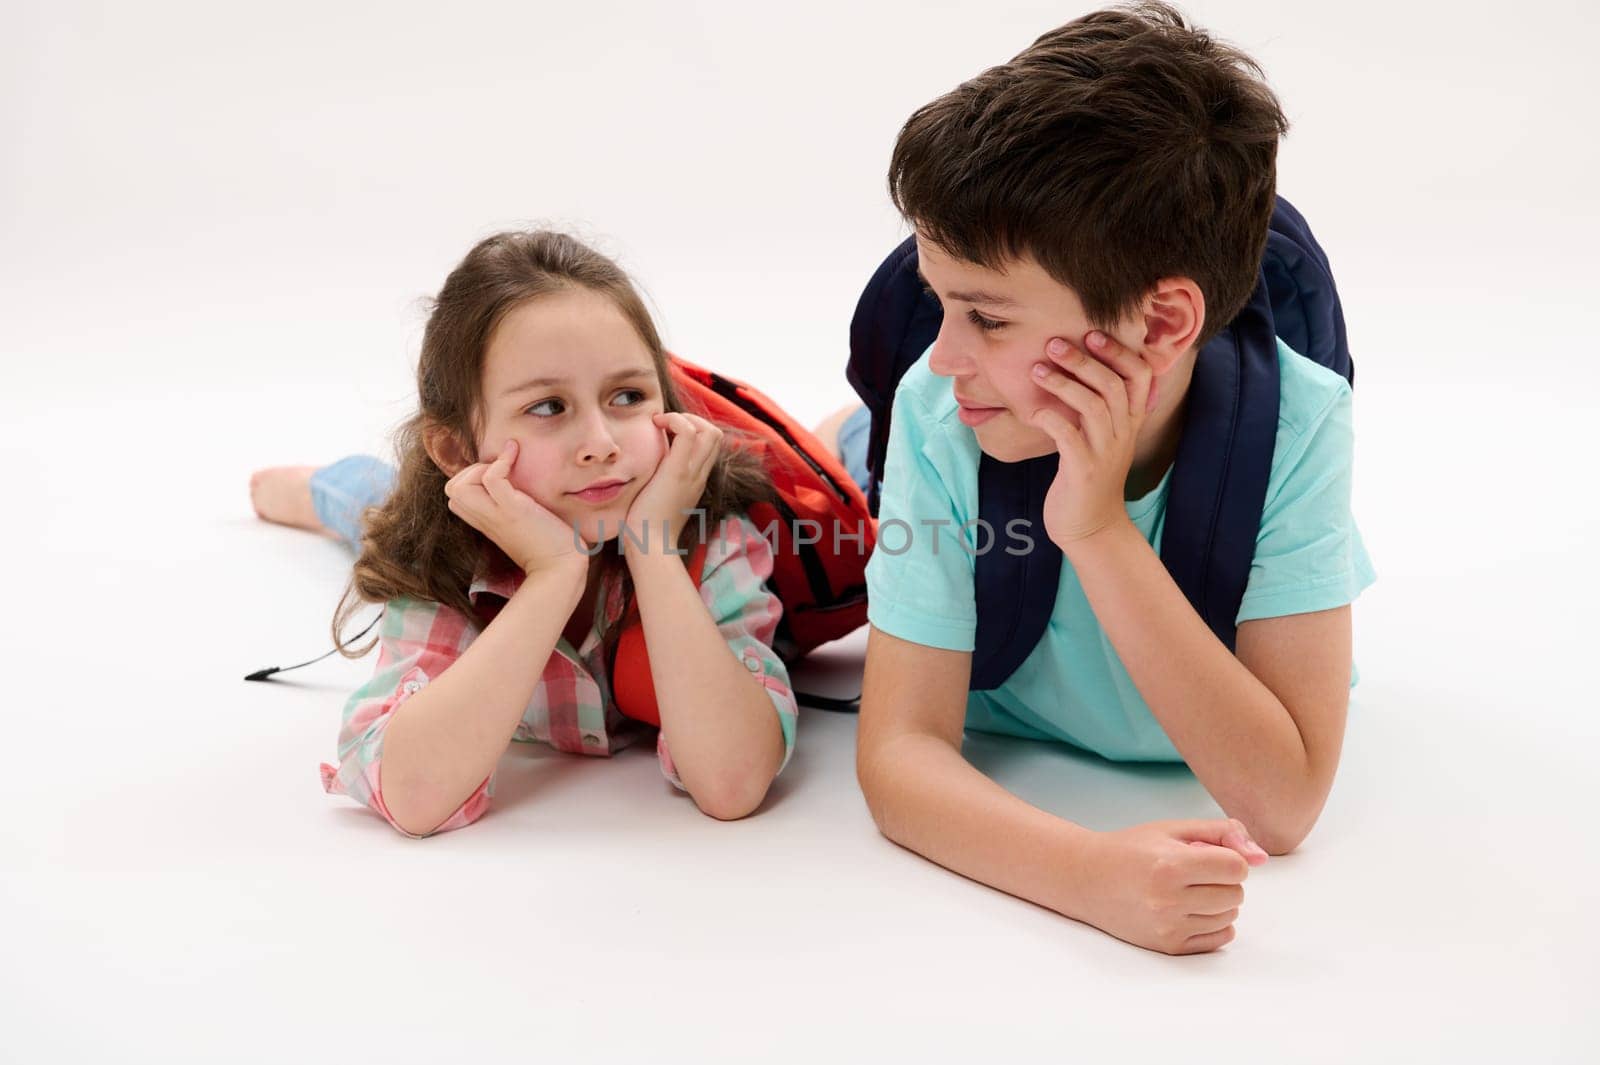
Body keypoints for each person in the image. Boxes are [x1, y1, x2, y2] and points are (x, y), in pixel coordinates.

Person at [847, 2, 1376, 954]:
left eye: (989, 319)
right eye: (940, 305)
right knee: (806, 485)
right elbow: (896, 753)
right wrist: (1087, 874)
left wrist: (1094, 526)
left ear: (1164, 324)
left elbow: (1285, 803)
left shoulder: (1300, 421)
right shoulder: (937, 412)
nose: (941, 357)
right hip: (918, 459)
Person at [252, 230, 798, 838]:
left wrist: (654, 550)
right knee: (371, 505)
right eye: (548, 407)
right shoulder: (441, 555)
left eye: (627, 395)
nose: (602, 444)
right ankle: (313, 487)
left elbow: (732, 782)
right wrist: (552, 576)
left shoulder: (710, 535)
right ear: (458, 449)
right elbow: (413, 795)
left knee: (858, 461)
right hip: (437, 507)